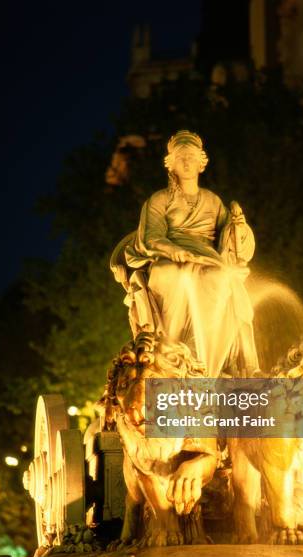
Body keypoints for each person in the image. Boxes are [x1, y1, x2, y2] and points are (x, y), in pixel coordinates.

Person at [111, 130, 258, 377]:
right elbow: (150, 237)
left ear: (202, 162)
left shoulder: (213, 201)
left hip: (207, 258)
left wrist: (240, 228)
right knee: (173, 275)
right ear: (171, 165)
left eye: (191, 157)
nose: (187, 162)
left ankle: (204, 357)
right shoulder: (158, 200)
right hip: (168, 257)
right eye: (181, 157)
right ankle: (169, 350)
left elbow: (231, 243)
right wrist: (175, 250)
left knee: (219, 279)